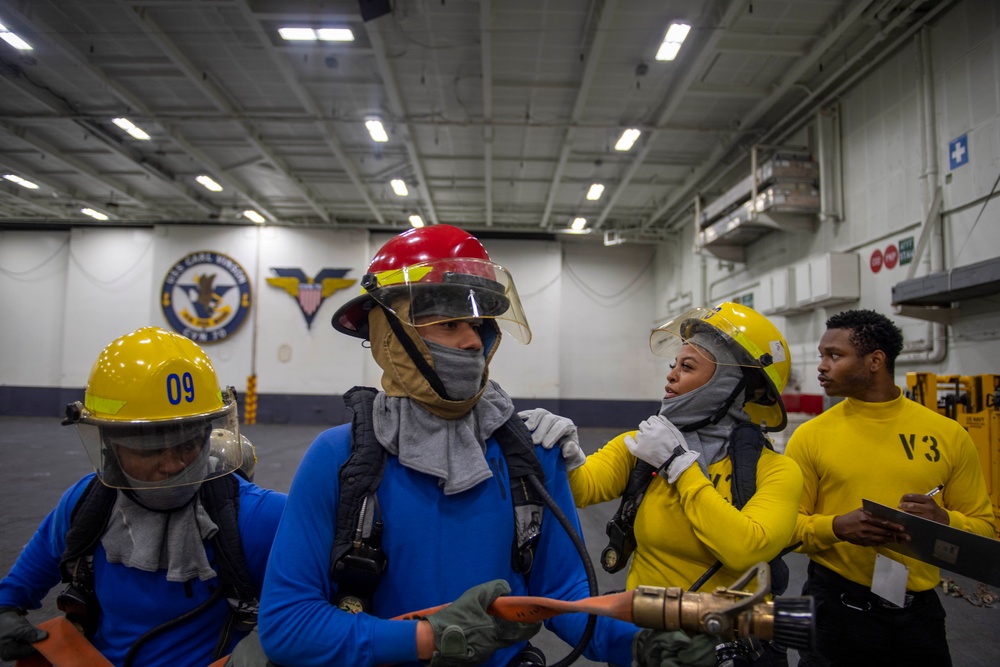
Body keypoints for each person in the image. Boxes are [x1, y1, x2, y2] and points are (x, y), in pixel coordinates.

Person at [257, 225, 667, 667]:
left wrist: (644, 646)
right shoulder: (338, 457)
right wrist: (427, 639)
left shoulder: (531, 452)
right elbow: (288, 624)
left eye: (476, 325)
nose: (473, 341)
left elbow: (564, 596)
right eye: (449, 324)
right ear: (390, 336)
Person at [520, 302, 803, 666]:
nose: (670, 377)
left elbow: (745, 549)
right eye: (673, 366)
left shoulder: (776, 470)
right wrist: (560, 455)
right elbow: (582, 489)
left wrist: (681, 468)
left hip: (725, 649)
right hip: (643, 640)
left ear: (729, 385)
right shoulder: (642, 446)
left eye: (687, 367)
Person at [0, 327, 286, 667]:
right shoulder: (84, 504)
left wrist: (273, 644)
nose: (172, 464)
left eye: (189, 444)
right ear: (111, 445)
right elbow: (15, 589)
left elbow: (324, 604)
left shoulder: (258, 517)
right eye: (148, 450)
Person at [784, 309, 996, 666]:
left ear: (875, 361)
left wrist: (943, 521)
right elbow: (786, 528)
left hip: (918, 615)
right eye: (822, 355)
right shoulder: (810, 436)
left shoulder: (947, 435)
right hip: (835, 608)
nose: (822, 365)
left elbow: (985, 528)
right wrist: (837, 527)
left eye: (834, 356)